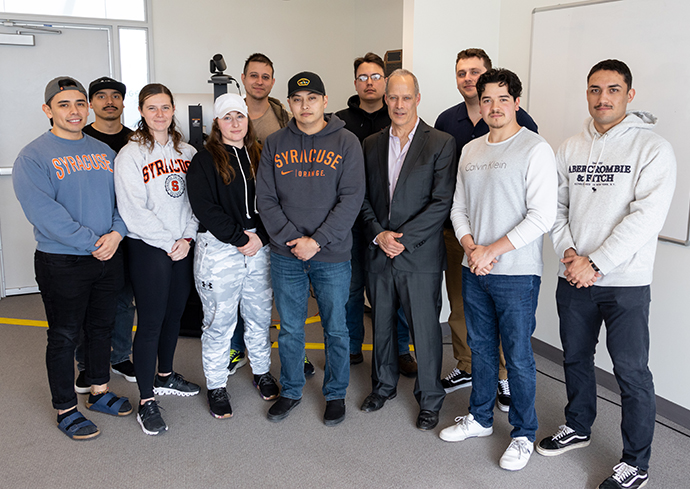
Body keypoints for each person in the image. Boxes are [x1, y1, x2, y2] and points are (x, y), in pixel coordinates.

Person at [538, 59, 676, 489]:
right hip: (574, 278)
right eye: (595, 89)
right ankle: (578, 426)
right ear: (587, 94)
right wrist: (572, 253)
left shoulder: (654, 150)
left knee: (632, 373)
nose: (603, 98)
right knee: (576, 358)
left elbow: (645, 218)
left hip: (625, 285)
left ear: (629, 95)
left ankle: (636, 462)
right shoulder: (569, 148)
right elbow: (555, 209)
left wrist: (595, 263)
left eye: (613, 90)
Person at [439, 68, 557, 471]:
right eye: (486, 99)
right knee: (482, 349)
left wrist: (492, 250)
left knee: (519, 357)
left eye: (502, 99)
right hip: (475, 267)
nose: (493, 106)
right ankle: (480, 418)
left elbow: (541, 216)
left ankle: (523, 433)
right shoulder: (471, 150)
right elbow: (459, 207)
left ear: (517, 103)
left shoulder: (535, 148)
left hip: (517, 273)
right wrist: (472, 246)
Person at [13, 76, 132, 440]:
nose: (74, 110)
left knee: (101, 329)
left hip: (106, 255)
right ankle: (66, 407)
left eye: (80, 103)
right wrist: (93, 242)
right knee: (64, 336)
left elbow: (122, 201)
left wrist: (116, 234)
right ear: (48, 110)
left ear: (89, 108)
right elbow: (44, 213)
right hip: (62, 261)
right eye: (64, 104)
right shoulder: (32, 157)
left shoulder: (104, 152)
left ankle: (98, 391)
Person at [256, 71, 365, 426]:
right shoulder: (274, 143)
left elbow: (351, 199)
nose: (305, 105)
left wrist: (316, 241)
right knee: (290, 328)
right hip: (286, 254)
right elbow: (266, 200)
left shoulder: (347, 141)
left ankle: (335, 394)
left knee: (336, 328)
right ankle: (290, 390)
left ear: (325, 101)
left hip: (331, 254)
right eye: (298, 100)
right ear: (289, 104)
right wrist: (294, 241)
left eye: (312, 98)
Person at [435, 49, 539, 411]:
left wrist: (490, 250)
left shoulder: (527, 134)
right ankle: (470, 375)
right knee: (465, 314)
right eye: (461, 72)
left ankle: (508, 383)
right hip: (464, 240)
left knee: (512, 336)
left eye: (474, 71)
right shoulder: (450, 123)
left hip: (509, 254)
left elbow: (535, 209)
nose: (467, 77)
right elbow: (455, 192)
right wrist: (469, 244)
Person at [359, 69, 456, 431]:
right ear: (385, 100)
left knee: (425, 331)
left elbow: (441, 202)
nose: (399, 105)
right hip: (379, 251)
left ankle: (430, 399)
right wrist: (379, 234)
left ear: (418, 99)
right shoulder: (370, 143)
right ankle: (383, 386)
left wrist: (401, 239)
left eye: (406, 97)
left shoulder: (441, 142)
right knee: (381, 325)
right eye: (392, 97)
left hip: (419, 254)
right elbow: (363, 197)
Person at [114, 83, 200, 435]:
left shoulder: (189, 151)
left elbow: (198, 200)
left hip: (182, 243)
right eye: (153, 108)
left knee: (175, 315)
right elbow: (132, 210)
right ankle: (146, 400)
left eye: (166, 107)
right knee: (150, 320)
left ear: (172, 110)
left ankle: (165, 375)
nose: (160, 114)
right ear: (142, 111)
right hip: (149, 246)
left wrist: (188, 236)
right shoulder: (130, 154)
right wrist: (169, 241)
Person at [187, 93, 279, 419]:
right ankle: (216, 384)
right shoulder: (204, 160)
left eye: (240, 116)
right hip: (220, 251)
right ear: (217, 123)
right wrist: (240, 238)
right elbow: (205, 208)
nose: (235, 123)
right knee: (219, 322)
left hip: (259, 249)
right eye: (228, 118)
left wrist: (262, 237)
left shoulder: (261, 155)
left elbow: (274, 201)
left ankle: (262, 372)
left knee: (258, 317)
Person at [335, 52, 416, 374]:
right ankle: (353, 347)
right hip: (349, 223)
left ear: (385, 82)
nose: (369, 83)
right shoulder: (338, 121)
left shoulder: (398, 116)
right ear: (355, 83)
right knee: (352, 288)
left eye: (375, 77)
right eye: (363, 78)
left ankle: (400, 350)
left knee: (394, 290)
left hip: (389, 224)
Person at [235, 53, 315, 377]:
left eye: (265, 76)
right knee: (241, 290)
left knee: (284, 293)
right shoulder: (231, 111)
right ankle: (237, 348)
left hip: (277, 212)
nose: (259, 81)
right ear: (243, 78)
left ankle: (296, 354)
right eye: (253, 75)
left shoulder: (282, 114)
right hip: (241, 212)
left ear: (272, 80)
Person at [73, 76, 136, 393]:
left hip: (127, 233)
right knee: (88, 304)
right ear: (90, 104)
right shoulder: (78, 139)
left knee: (124, 300)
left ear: (123, 103)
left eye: (115, 96)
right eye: (100, 96)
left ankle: (121, 356)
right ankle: (86, 364)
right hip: (88, 237)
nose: (109, 101)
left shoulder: (137, 140)